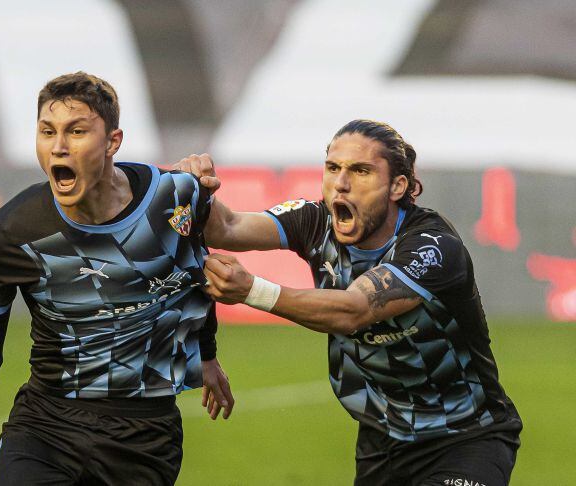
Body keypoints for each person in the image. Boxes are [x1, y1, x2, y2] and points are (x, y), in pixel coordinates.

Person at [0, 72, 234, 486]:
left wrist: (206, 353)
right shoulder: (11, 233)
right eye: (47, 131)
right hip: (46, 428)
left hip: (145, 437)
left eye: (76, 131)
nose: (58, 146)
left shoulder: (174, 197)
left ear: (113, 141)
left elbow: (195, 278)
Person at [178, 119, 521, 485]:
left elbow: (354, 311)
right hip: (381, 442)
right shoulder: (314, 221)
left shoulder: (432, 246)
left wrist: (251, 291)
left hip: (466, 437)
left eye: (361, 171)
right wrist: (193, 188)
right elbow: (226, 227)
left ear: (397, 186)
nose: (341, 183)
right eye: (333, 168)